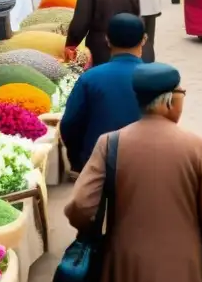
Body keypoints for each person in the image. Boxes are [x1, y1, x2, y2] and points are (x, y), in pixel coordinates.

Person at [66, 63, 202, 282]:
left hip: (122, 273)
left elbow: (81, 205)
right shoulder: (196, 147)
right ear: (168, 101)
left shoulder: (110, 143)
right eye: (181, 93)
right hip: (177, 277)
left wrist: (92, 234)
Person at [60, 14, 145, 172]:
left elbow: (70, 123)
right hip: (147, 164)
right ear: (144, 40)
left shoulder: (90, 78)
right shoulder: (158, 79)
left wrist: (79, 159)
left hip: (99, 164)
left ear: (107, 40)